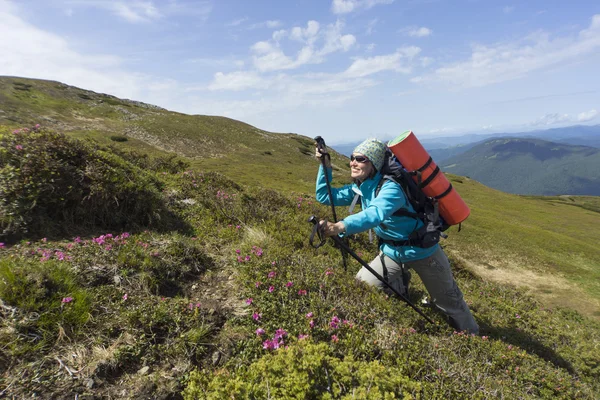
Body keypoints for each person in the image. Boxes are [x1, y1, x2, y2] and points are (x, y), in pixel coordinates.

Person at [315, 138, 479, 334]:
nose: (353, 162)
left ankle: (472, 335)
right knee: (363, 285)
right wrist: (325, 166)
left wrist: (341, 225)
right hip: (391, 252)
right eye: (352, 158)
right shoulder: (361, 188)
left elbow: (376, 213)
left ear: (374, 163)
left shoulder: (392, 188)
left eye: (360, 159)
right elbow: (325, 196)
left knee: (449, 300)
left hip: (422, 252)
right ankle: (399, 285)